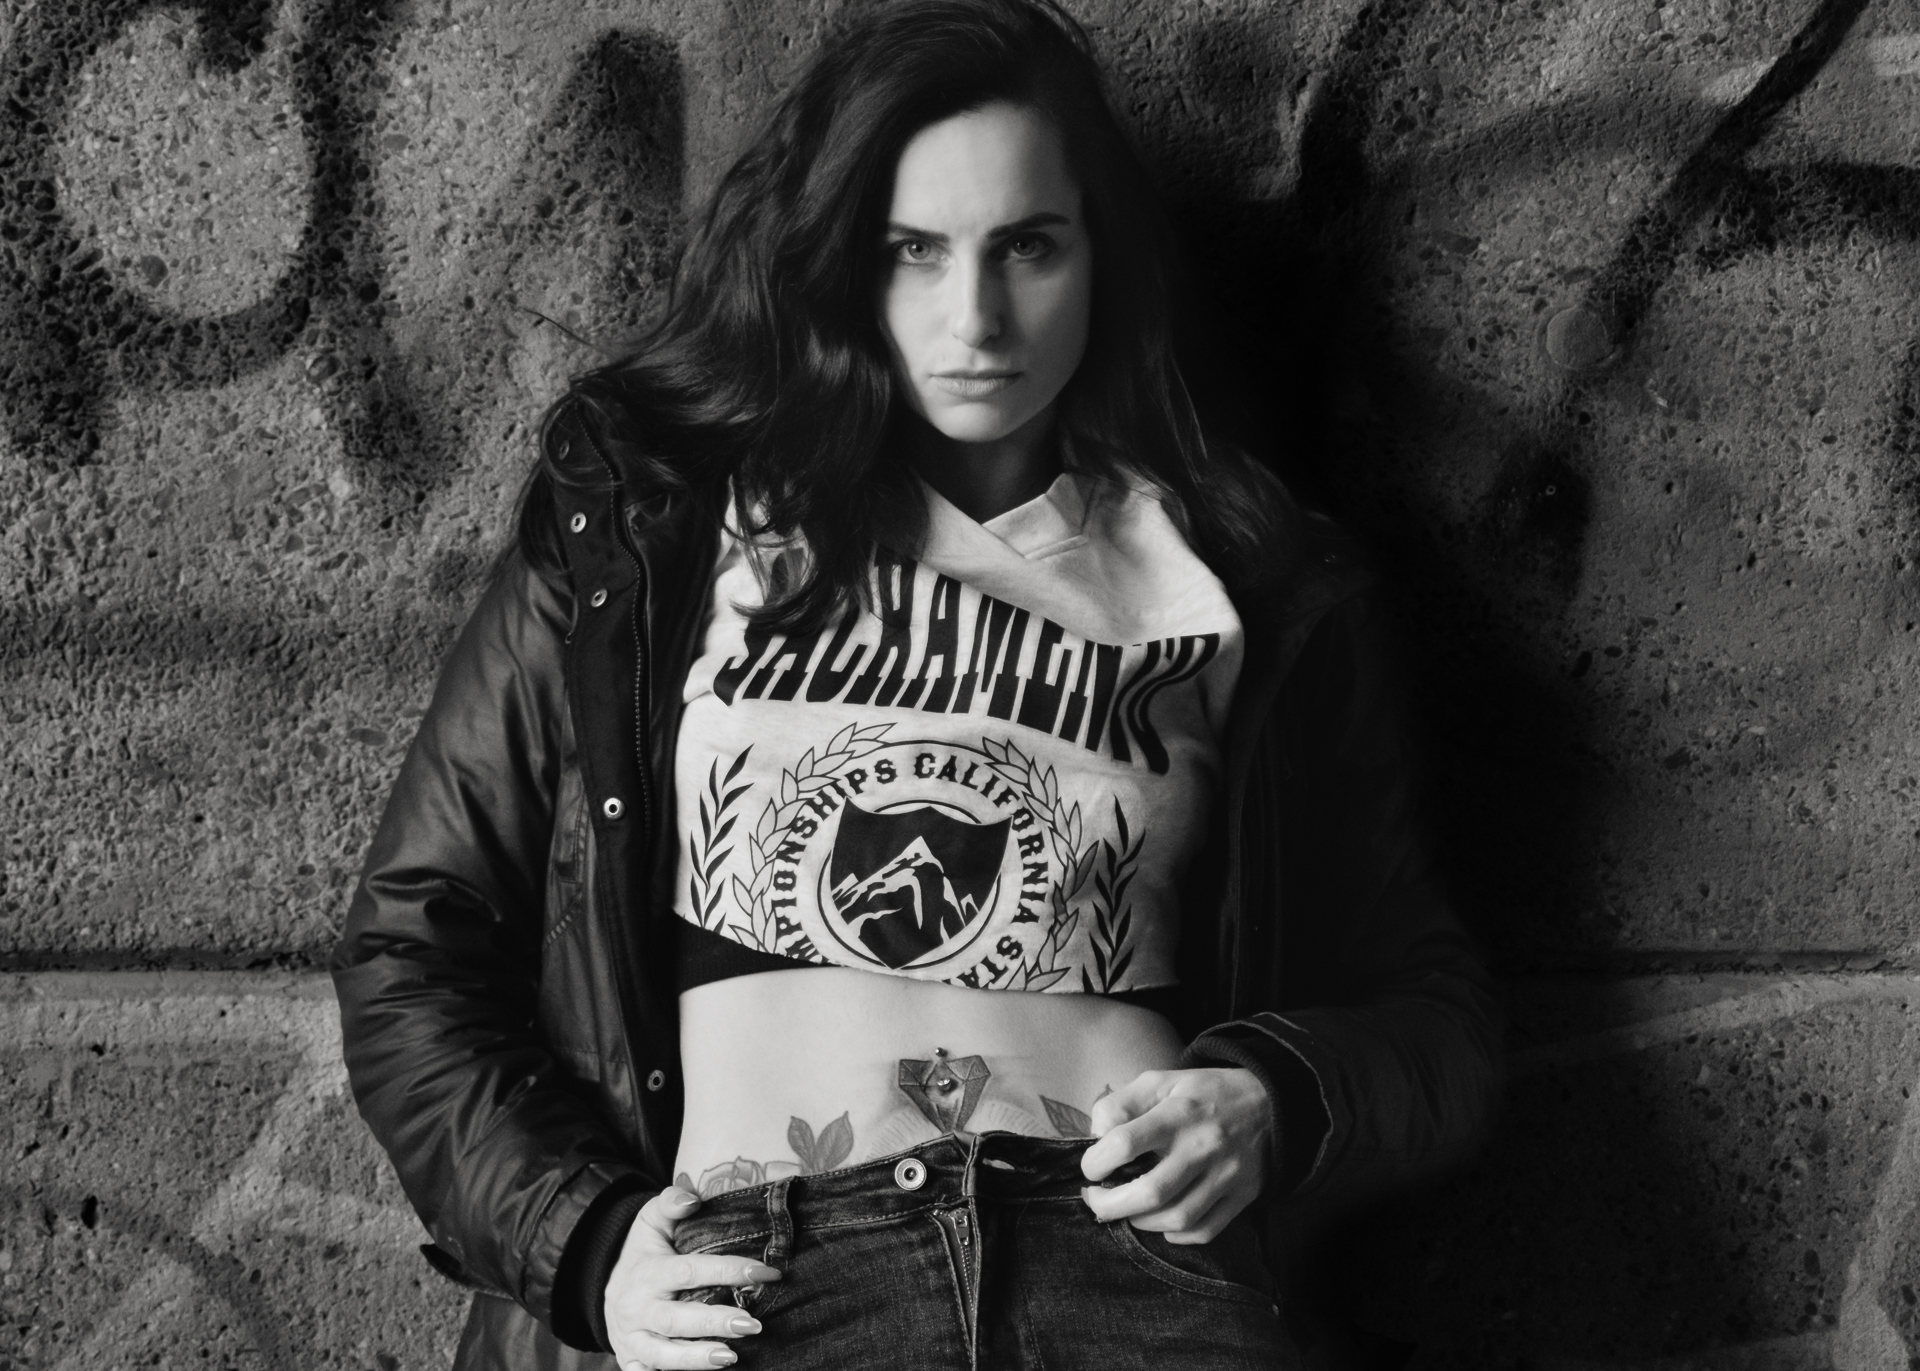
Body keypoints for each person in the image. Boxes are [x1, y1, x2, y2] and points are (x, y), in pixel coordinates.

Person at [330, 1, 1503, 1368]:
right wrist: (583, 1242)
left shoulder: (1247, 579)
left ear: (1102, 257)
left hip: (1134, 1273)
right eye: (913, 250)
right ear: (838, 260)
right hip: (761, 1276)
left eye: (1029, 247)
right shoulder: (654, 532)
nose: (977, 319)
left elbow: (1434, 1014)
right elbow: (415, 941)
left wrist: (1275, 1099)